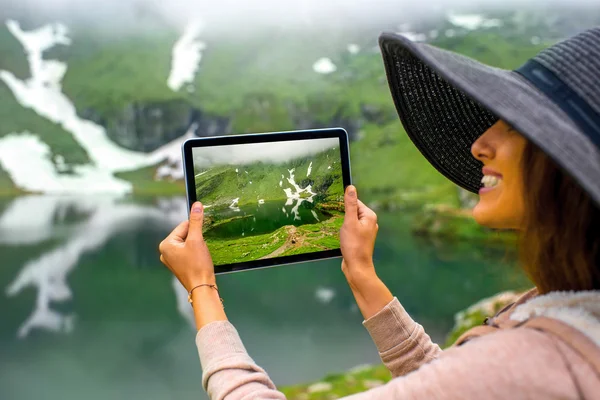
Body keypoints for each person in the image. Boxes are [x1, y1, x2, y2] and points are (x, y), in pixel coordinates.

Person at [158, 26, 600, 399]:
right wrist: (361, 273)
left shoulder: (532, 364)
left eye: (516, 127)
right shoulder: (573, 317)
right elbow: (446, 380)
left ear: (568, 165)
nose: (479, 145)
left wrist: (202, 287)